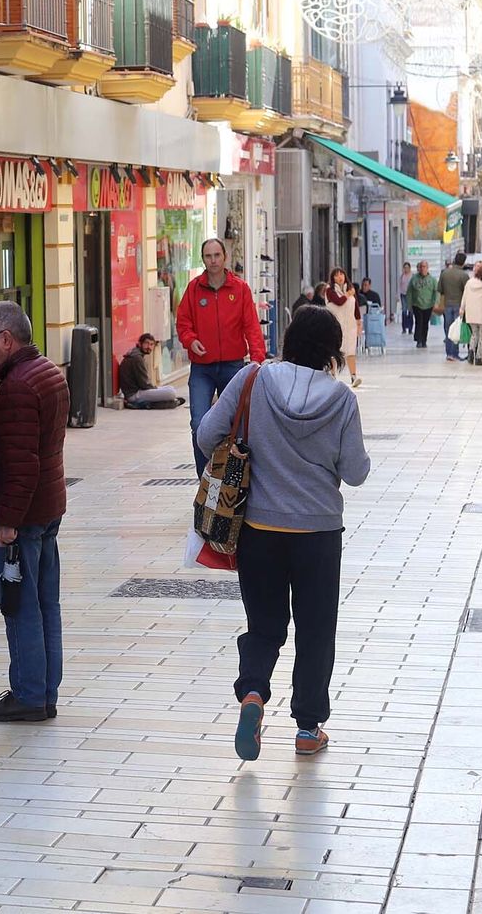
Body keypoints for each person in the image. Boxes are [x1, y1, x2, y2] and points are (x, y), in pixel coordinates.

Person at [197, 306, 370, 761]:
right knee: (315, 630)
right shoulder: (342, 399)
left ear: (289, 339)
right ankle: (308, 729)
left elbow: (206, 434)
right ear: (332, 352)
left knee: (266, 626)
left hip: (258, 529)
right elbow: (356, 472)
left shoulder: (253, 379)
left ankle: (252, 694)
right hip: (317, 533)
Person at [0, 302, 69, 723]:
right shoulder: (46, 371)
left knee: (20, 605)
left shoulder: (17, 387)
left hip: (24, 515)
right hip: (47, 506)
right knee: (45, 604)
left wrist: (8, 520)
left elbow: (21, 461)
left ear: (6, 339)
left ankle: (29, 695)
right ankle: (44, 691)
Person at [175, 239, 266, 475]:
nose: (213, 260)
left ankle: (236, 476)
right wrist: (190, 340)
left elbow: (252, 327)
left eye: (216, 255)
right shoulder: (194, 289)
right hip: (202, 369)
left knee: (239, 424)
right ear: (202, 259)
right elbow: (183, 322)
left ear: (224, 257)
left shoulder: (240, 288)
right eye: (208, 256)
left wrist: (257, 360)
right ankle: (204, 478)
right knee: (198, 423)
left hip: (233, 367)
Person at [118, 333, 183, 410]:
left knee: (170, 388)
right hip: (134, 395)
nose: (149, 347)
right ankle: (160, 403)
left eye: (151, 344)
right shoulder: (137, 358)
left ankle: (169, 401)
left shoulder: (136, 355)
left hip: (137, 391)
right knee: (171, 393)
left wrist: (155, 390)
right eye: (146, 343)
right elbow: (144, 384)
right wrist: (155, 390)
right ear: (139, 343)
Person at [322, 268, 363, 388]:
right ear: (333, 278)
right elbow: (339, 302)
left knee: (350, 351)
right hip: (335, 325)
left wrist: (359, 322)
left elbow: (355, 307)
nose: (340, 277)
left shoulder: (349, 290)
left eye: (341, 274)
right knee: (334, 351)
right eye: (336, 275)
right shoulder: (330, 290)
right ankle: (332, 375)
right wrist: (347, 295)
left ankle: (353, 376)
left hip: (350, 325)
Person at [438, 252, 471, 362]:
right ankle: (455, 353)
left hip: (447, 304)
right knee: (457, 329)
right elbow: (467, 292)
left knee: (448, 329)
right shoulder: (464, 275)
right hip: (459, 305)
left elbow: (440, 289)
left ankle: (449, 353)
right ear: (463, 262)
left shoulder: (444, 273)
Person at [407, 261, 439, 349]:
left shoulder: (432, 279)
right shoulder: (414, 279)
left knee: (425, 323)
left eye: (424, 267)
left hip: (428, 305)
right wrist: (409, 305)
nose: (422, 268)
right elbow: (409, 292)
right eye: (421, 267)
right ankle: (418, 340)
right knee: (419, 322)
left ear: (427, 268)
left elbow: (436, 292)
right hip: (417, 304)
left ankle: (424, 340)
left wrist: (436, 303)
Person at [397, 262, 414, 334]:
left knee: (410, 312)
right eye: (405, 268)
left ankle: (410, 328)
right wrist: (398, 295)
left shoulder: (412, 276)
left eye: (407, 268)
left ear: (410, 268)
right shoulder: (402, 276)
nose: (406, 269)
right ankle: (404, 328)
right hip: (403, 295)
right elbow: (399, 286)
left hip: (410, 296)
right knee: (404, 311)